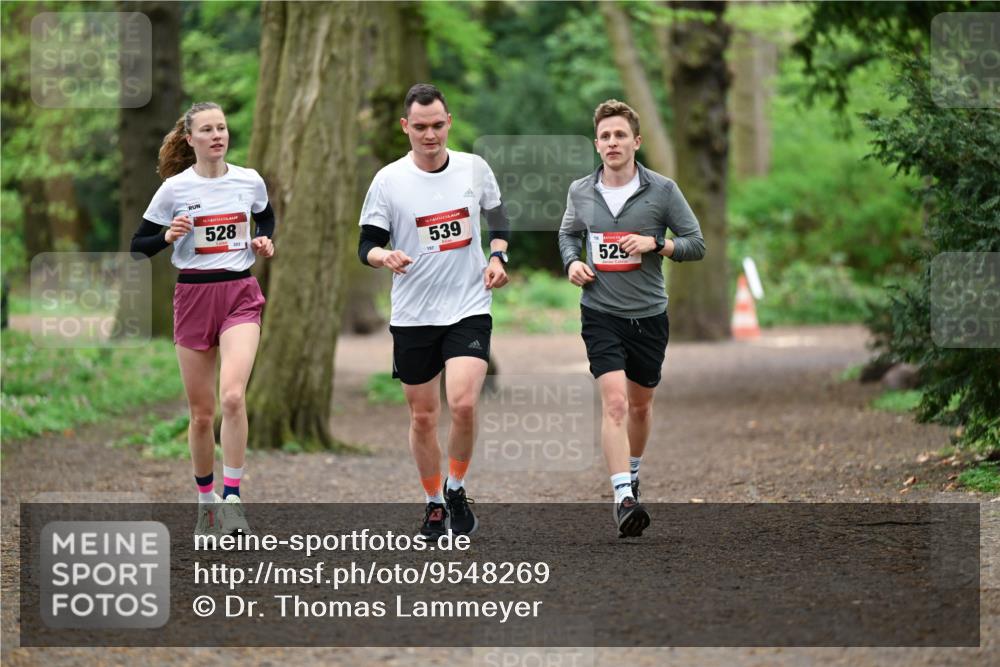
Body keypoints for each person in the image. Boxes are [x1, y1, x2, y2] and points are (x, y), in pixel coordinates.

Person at [358, 83, 510, 538]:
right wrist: (383, 257)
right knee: (423, 416)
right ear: (406, 127)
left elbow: (498, 221)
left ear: (450, 123)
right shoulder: (388, 179)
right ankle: (433, 503)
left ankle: (457, 486)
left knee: (462, 403)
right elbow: (366, 243)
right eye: (420, 127)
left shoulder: (473, 168)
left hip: (467, 305)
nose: (430, 135)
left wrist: (499, 257)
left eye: (437, 125)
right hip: (413, 314)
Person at [558, 99, 705, 538]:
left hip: (649, 316)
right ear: (596, 145)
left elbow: (696, 243)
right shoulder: (581, 191)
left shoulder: (662, 191)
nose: (612, 142)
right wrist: (571, 263)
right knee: (616, 403)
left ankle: (633, 471)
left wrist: (655, 245)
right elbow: (568, 233)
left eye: (620, 134)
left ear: (636, 141)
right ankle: (623, 497)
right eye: (604, 136)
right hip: (600, 312)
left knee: (640, 405)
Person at [130, 102, 276, 538]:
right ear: (190, 139)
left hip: (239, 294)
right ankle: (205, 503)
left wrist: (265, 238)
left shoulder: (248, 180)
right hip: (193, 296)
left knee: (232, 397)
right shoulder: (174, 189)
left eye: (222, 128)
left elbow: (265, 214)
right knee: (201, 414)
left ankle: (232, 499)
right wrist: (167, 236)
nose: (217, 135)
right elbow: (139, 245)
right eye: (207, 130)